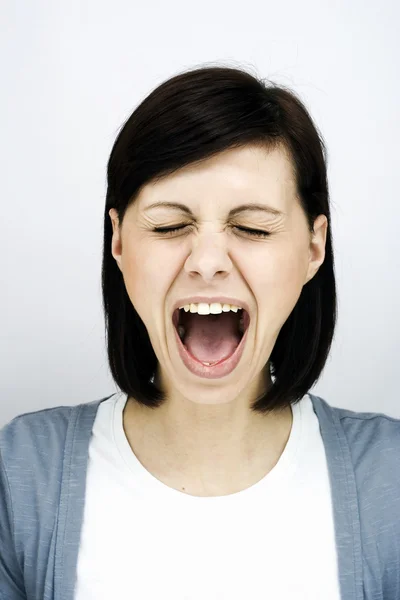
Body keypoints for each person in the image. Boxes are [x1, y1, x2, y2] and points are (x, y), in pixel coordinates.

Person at [1, 64, 399, 600]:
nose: (207, 261)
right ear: (118, 242)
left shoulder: (389, 482)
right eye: (169, 226)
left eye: (252, 227)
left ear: (313, 247)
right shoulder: (19, 478)